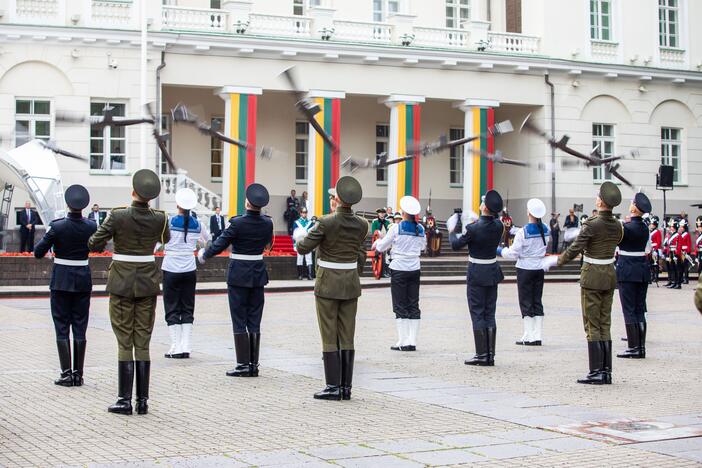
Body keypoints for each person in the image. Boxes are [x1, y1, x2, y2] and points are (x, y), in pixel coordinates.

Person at [89, 169, 170, 415]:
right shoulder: (160, 218)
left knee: (125, 339)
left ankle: (124, 400)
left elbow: (94, 242)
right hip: (147, 281)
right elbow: (165, 238)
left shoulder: (117, 215)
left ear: (133, 191)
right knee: (142, 340)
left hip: (122, 282)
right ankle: (142, 402)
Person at [295, 176, 369, 401]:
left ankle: (332, 386)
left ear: (337, 198)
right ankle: (346, 387)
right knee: (347, 334)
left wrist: (300, 238)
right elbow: (361, 254)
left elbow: (303, 248)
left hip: (328, 283)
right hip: (350, 282)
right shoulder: (362, 224)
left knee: (329, 334)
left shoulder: (326, 222)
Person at [546, 181, 623, 385]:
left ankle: (596, 371)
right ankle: (606, 371)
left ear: (601, 201)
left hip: (592, 277)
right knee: (605, 322)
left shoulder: (592, 224)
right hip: (609, 275)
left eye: (598, 196)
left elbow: (576, 248)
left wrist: (558, 260)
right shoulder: (618, 225)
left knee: (592, 324)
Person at [198, 184, 273, 378]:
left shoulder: (237, 223)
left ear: (247, 202)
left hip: (239, 274)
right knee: (255, 319)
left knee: (239, 318)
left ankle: (242, 365)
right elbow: (267, 243)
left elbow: (221, 243)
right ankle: (254, 365)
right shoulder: (268, 223)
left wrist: (204, 255)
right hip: (257, 274)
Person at [34, 185, 97, 387]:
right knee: (80, 325)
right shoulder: (91, 226)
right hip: (82, 280)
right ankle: (78, 374)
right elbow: (99, 246)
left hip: (61, 280)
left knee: (61, 325)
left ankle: (66, 373)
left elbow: (38, 251)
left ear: (68, 205)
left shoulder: (58, 226)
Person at [449, 191, 504, 367]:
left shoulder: (473, 228)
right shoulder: (499, 225)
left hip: (477, 272)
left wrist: (452, 230)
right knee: (490, 312)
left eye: (482, 203)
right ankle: (490, 355)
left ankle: (481, 355)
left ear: (485, 207)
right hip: (492, 271)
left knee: (478, 312)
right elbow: (490, 223)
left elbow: (456, 245)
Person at [161, 188, 211, 360]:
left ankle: (175, 346)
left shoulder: (168, 222)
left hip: (171, 268)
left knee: (172, 306)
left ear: (177, 205)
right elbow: (208, 240)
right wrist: (201, 253)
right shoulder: (198, 224)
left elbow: (157, 243)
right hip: (189, 268)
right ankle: (186, 345)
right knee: (188, 306)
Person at [373, 196, 426, 352]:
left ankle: (402, 340)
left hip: (399, 268)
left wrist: (377, 243)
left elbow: (382, 247)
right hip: (414, 268)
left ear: (402, 213)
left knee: (399, 304)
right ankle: (412, 341)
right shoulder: (420, 228)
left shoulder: (396, 228)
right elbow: (423, 247)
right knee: (413, 303)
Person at [499, 199, 550, 347]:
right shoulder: (546, 229)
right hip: (539, 267)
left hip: (525, 268)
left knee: (526, 301)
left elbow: (514, 253)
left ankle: (529, 335)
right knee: (537, 300)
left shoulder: (523, 231)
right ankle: (537, 335)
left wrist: (501, 251)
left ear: (529, 212)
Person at [616, 193, 652, 360]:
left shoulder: (626, 228)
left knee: (629, 310)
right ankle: (641, 347)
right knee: (639, 309)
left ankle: (633, 347)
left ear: (634, 208)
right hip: (642, 270)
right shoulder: (644, 227)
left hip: (627, 270)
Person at [293, 207, 314, 280]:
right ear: (300, 213)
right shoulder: (296, 222)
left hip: (308, 242)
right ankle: (300, 275)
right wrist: (295, 244)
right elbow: (294, 234)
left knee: (309, 259)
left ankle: (309, 275)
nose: (304, 214)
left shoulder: (310, 223)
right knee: (300, 258)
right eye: (303, 212)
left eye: (305, 212)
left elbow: (312, 233)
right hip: (300, 242)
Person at [370, 208, 391, 278]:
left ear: (385, 214)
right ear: (378, 214)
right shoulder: (375, 221)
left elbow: (389, 232)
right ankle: (381, 272)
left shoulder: (387, 222)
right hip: (378, 240)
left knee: (386, 257)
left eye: (383, 213)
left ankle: (386, 272)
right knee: (381, 257)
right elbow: (374, 232)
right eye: (380, 213)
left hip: (386, 240)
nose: (381, 214)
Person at [668, 219, 682, 289]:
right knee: (673, 269)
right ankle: (675, 282)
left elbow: (679, 246)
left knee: (677, 269)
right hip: (671, 253)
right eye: (671, 227)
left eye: (672, 227)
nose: (671, 228)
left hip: (675, 254)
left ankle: (678, 284)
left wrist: (677, 254)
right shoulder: (672, 235)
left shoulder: (678, 235)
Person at [649, 216, 663, 284]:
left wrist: (655, 249)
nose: (651, 225)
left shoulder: (657, 232)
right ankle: (652, 276)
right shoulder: (650, 231)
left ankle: (656, 277)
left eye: (652, 224)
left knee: (656, 264)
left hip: (655, 249)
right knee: (651, 263)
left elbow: (659, 242)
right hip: (651, 249)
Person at [679, 219, 692, 285]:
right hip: (681, 252)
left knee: (685, 266)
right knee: (681, 266)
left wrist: (687, 252)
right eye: (680, 227)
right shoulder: (680, 234)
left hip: (685, 252)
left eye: (682, 227)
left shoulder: (687, 234)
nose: (680, 228)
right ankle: (681, 278)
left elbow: (689, 244)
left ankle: (686, 279)